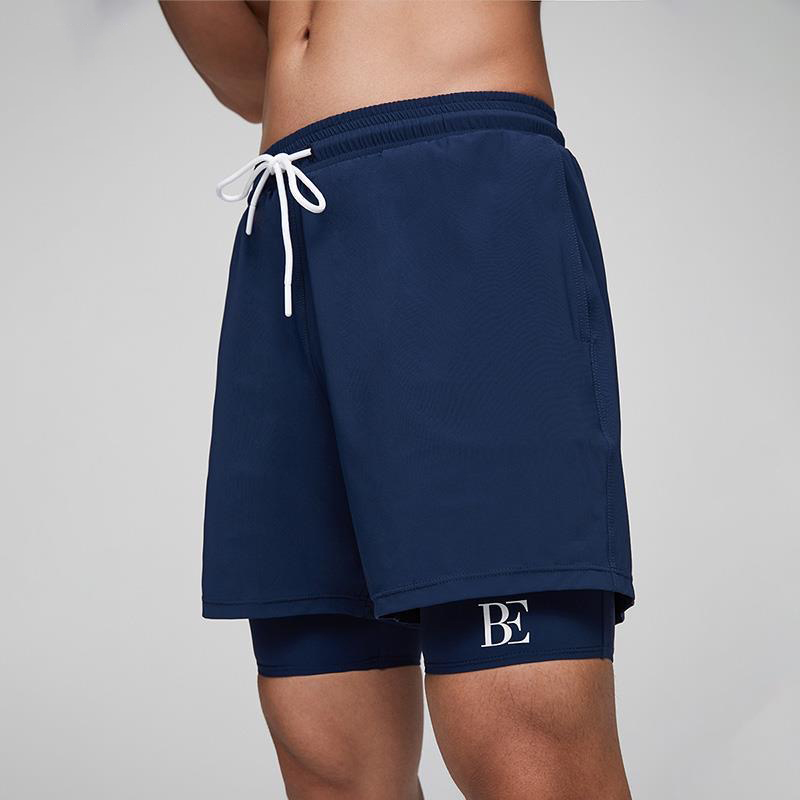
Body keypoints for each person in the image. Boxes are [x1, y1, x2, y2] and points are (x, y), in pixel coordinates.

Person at [160, 3, 635, 798]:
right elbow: (245, 78)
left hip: (456, 189)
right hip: (289, 224)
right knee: (327, 747)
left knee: (523, 738)